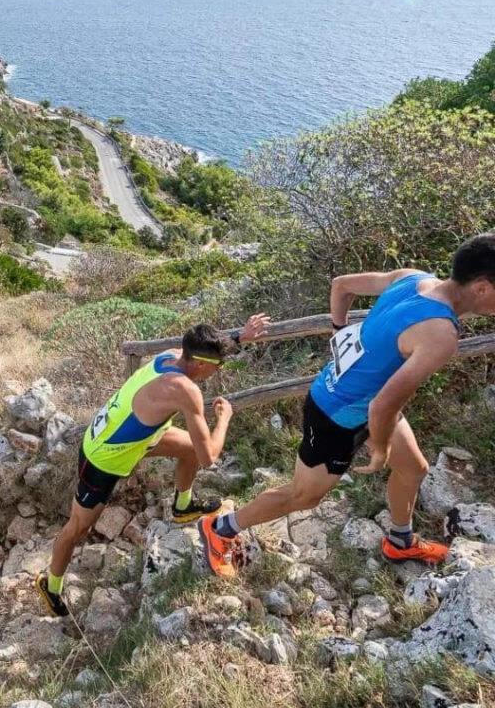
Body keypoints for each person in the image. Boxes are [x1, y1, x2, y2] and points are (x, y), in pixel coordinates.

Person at [199, 233, 495, 579]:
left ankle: (400, 541)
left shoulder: (414, 278)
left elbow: (341, 286)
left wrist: (340, 333)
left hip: (366, 404)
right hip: (335, 414)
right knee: (304, 496)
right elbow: (383, 407)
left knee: (414, 469)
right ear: (481, 287)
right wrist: (380, 447)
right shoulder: (441, 334)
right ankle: (220, 528)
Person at [36, 314, 272, 618]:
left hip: (142, 436)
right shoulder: (185, 390)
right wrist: (225, 417)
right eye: (218, 365)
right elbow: (209, 457)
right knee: (79, 528)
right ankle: (50, 585)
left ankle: (183, 506)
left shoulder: (171, 356)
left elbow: (209, 348)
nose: (219, 370)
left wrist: (241, 337)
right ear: (200, 364)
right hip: (105, 456)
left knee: (187, 448)